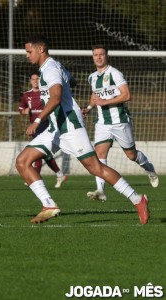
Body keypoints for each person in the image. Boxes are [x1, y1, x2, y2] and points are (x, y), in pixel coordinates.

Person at [15, 34, 150, 225]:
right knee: (22, 162)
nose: (27, 55)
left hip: (69, 128)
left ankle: (138, 200)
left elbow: (55, 97)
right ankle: (49, 205)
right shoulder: (54, 67)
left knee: (96, 168)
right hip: (55, 129)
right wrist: (72, 103)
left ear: (41, 49)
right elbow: (71, 81)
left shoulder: (51, 68)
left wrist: (37, 120)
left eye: (29, 51)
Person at [82, 44, 159, 202]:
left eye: (101, 54)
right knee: (99, 154)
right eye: (95, 55)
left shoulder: (115, 73)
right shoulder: (92, 77)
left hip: (119, 121)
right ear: (92, 57)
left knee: (131, 155)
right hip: (102, 122)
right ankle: (100, 190)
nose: (98, 57)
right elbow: (95, 95)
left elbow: (126, 95)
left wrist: (106, 101)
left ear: (107, 56)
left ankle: (149, 169)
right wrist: (89, 107)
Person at [19, 70, 66, 188]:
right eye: (33, 79)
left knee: (38, 153)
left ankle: (34, 179)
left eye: (38, 79)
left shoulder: (46, 93)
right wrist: (25, 111)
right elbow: (21, 109)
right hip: (34, 126)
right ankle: (60, 175)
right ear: (30, 81)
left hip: (46, 124)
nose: (35, 81)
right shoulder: (26, 95)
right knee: (45, 154)